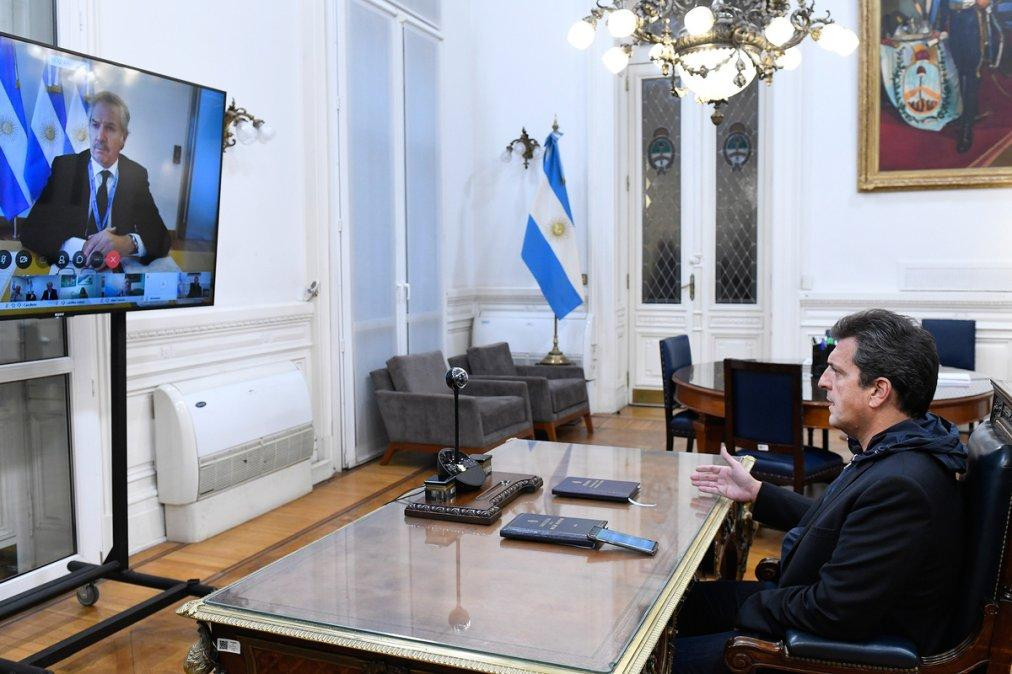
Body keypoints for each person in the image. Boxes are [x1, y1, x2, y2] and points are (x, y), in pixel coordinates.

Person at [677, 309, 966, 673]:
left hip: (833, 650)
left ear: (878, 390)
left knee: (656, 656)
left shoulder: (903, 485)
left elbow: (832, 612)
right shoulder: (901, 445)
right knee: (668, 607)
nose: (823, 381)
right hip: (810, 606)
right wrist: (757, 491)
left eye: (838, 372)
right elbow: (841, 520)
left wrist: (744, 611)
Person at [20, 91, 170, 265]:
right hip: (72, 268)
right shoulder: (66, 169)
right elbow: (30, 230)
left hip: (115, 272)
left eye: (110, 128)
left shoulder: (135, 175)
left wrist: (128, 243)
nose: (100, 136)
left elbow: (162, 238)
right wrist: (79, 248)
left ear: (123, 138)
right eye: (95, 125)